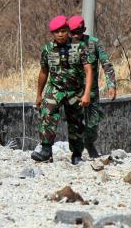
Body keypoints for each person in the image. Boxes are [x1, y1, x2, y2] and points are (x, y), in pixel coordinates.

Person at [32, 15, 94, 165]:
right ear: (52, 34)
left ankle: (77, 154)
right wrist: (39, 95)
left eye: (63, 31)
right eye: (56, 32)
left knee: (76, 123)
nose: (60, 34)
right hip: (55, 89)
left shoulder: (78, 47)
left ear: (68, 31)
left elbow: (88, 70)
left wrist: (86, 94)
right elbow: (43, 72)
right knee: (47, 114)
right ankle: (46, 150)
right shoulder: (47, 50)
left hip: (75, 91)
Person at [68, 15, 117, 158]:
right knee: (74, 124)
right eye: (72, 33)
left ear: (84, 29)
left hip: (91, 92)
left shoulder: (93, 43)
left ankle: (89, 143)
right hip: (73, 91)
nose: (75, 35)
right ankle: (76, 152)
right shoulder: (65, 45)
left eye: (78, 32)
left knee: (93, 124)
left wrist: (111, 85)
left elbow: (106, 64)